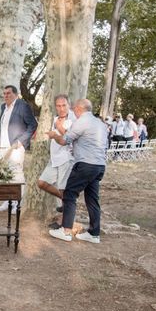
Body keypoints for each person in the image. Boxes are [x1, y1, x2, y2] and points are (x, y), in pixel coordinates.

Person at [47, 99, 108, 244]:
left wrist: (54, 135)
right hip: (100, 165)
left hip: (85, 164)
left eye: (74, 108)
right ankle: (94, 233)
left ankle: (66, 230)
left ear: (79, 109)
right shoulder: (100, 123)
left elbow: (64, 141)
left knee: (69, 194)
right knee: (92, 199)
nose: (73, 111)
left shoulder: (82, 121)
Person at [0, 85, 37, 211]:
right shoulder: (3, 107)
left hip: (15, 147)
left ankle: (18, 202)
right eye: (4, 93)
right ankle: (8, 201)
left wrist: (20, 141)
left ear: (15, 94)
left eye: (8, 93)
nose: (6, 96)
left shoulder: (22, 106)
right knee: (5, 175)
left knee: (17, 174)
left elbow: (33, 124)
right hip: (3, 147)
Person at [37, 94, 76, 213]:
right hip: (54, 159)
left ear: (69, 105)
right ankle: (66, 200)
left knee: (63, 188)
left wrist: (57, 130)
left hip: (67, 158)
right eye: (58, 106)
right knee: (42, 183)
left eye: (64, 105)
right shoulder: (55, 118)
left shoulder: (73, 118)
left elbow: (67, 136)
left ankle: (65, 222)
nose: (61, 108)